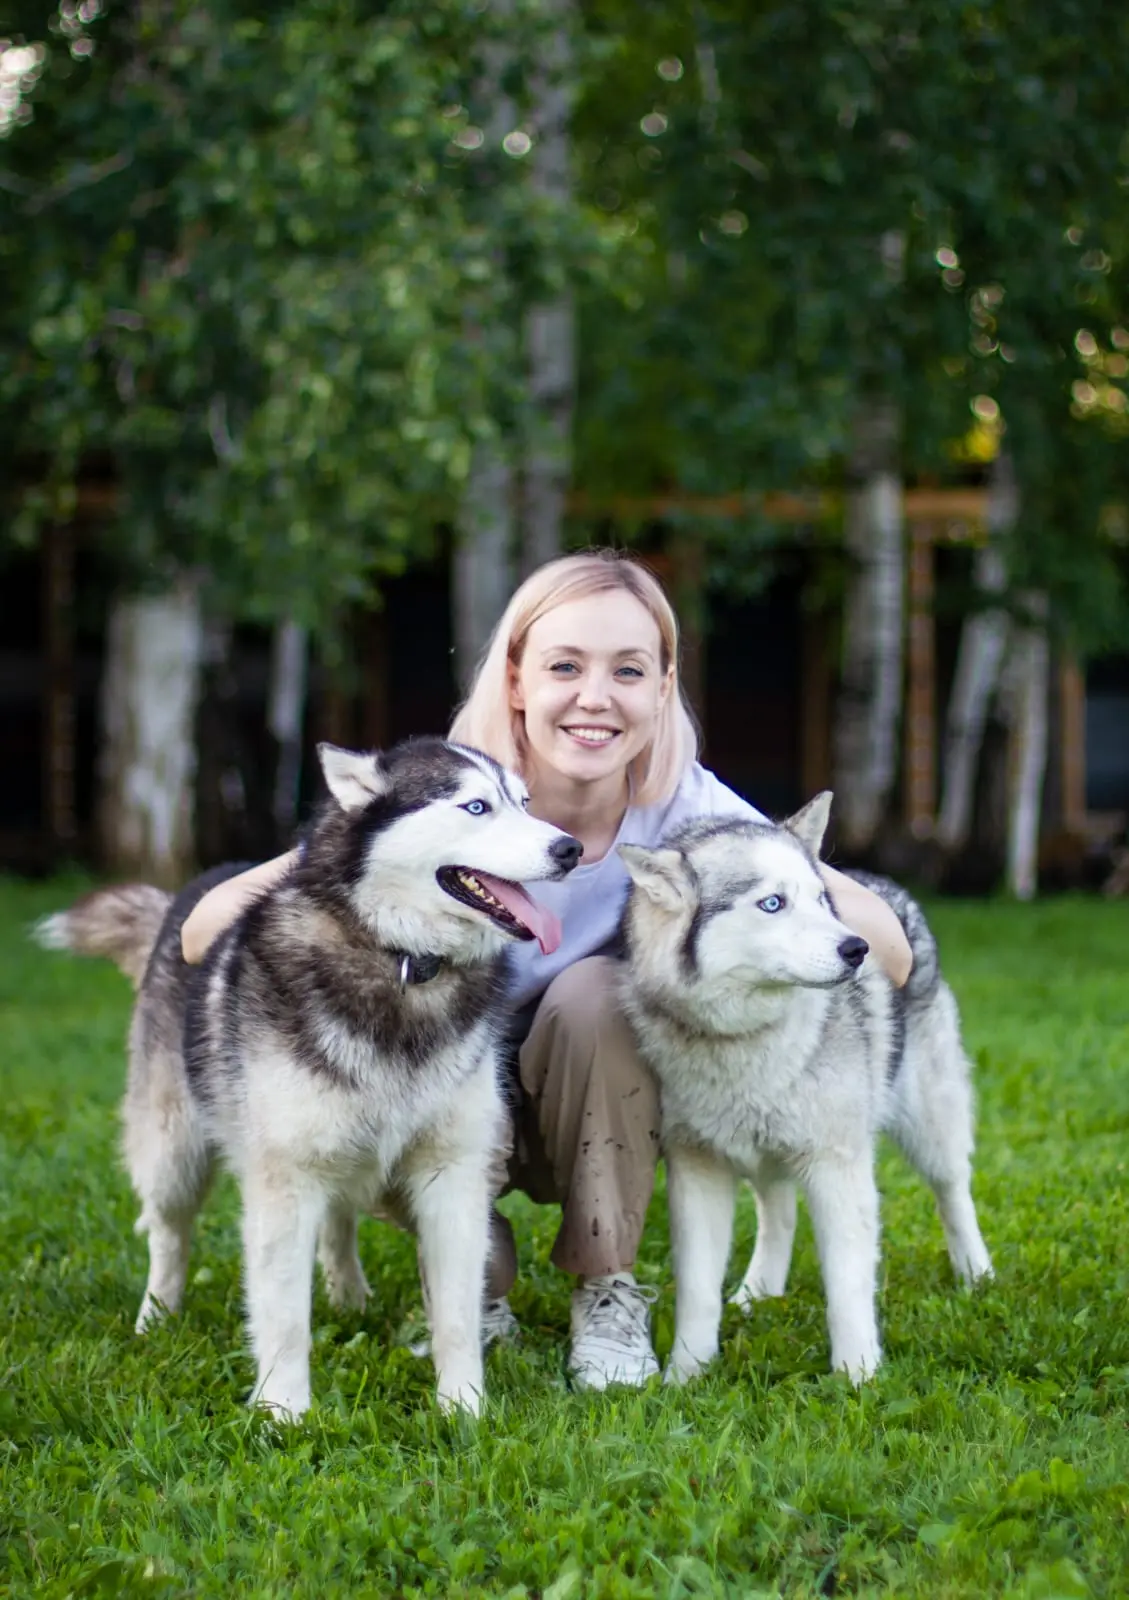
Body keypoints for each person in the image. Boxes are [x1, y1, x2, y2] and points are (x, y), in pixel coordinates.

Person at [181, 550, 913, 1390]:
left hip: (593, 1105)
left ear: (663, 685)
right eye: (565, 665)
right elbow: (203, 933)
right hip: (434, 1105)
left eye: (628, 670)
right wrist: (333, 874)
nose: (595, 697)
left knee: (599, 992)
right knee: (444, 1164)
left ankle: (606, 1289)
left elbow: (885, 946)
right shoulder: (454, 799)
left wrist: (797, 901)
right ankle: (469, 1289)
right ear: (517, 679)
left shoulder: (689, 812)